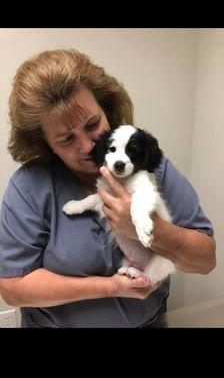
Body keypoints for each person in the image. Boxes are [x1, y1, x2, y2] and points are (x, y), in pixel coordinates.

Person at [0, 49, 216, 328]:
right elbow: (13, 289)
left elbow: (205, 261)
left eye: (93, 124)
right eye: (66, 139)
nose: (88, 146)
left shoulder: (149, 164)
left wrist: (149, 227)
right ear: (43, 143)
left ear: (107, 110)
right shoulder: (30, 187)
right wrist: (111, 287)